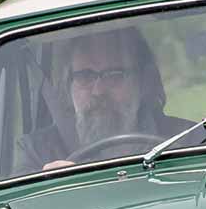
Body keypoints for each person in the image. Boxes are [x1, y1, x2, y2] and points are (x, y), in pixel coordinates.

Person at [19, 26, 190, 172]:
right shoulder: (37, 153)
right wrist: (49, 187)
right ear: (68, 85)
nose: (98, 91)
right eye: (85, 76)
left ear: (143, 82)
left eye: (114, 75)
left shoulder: (187, 140)